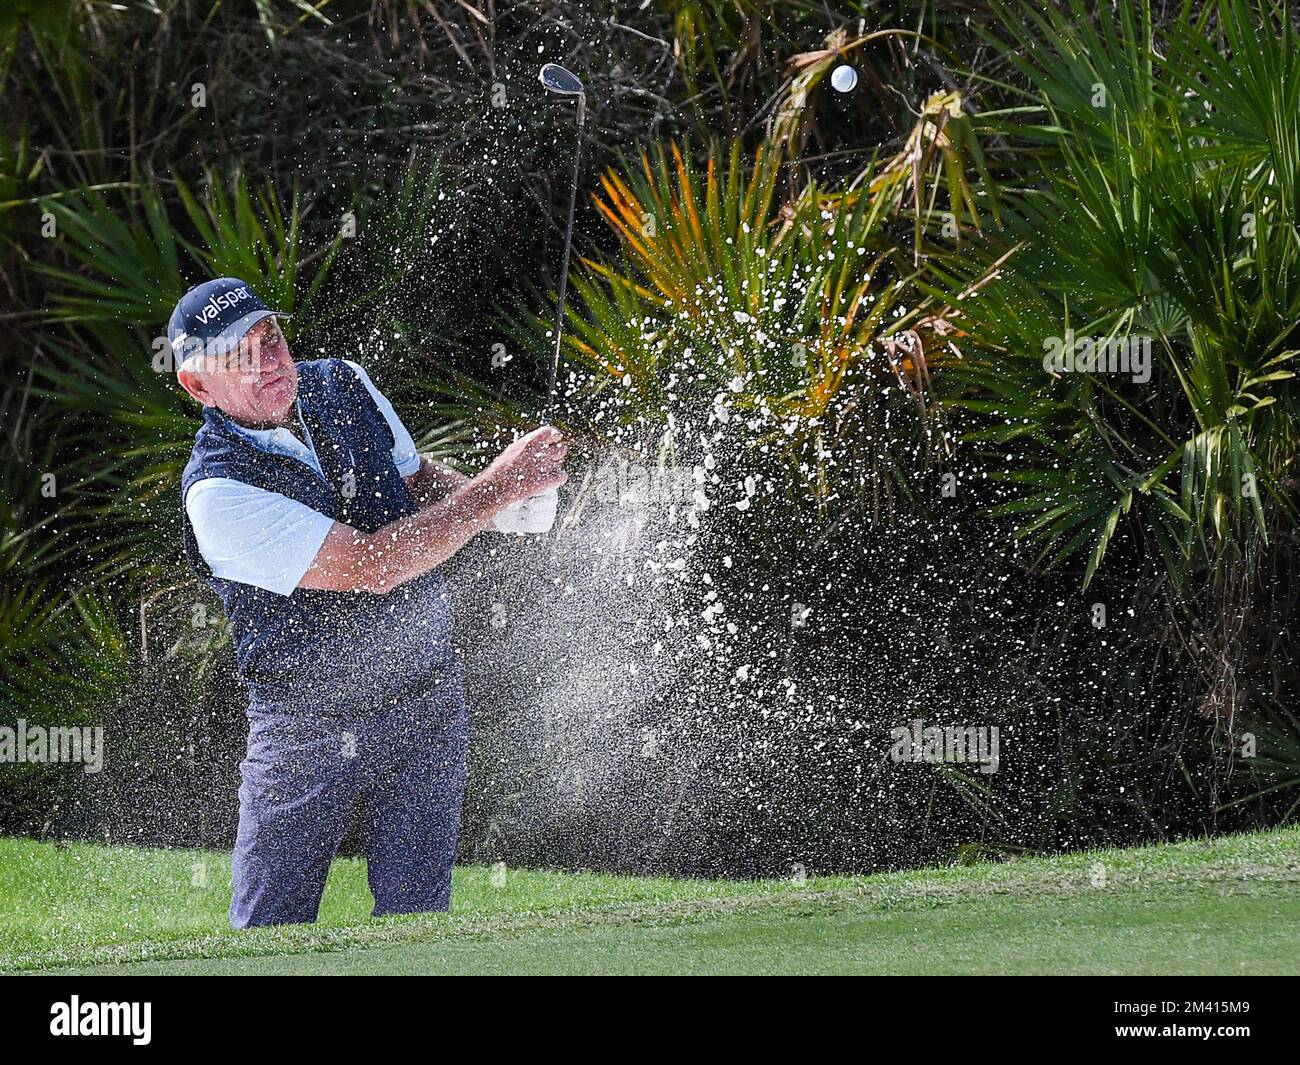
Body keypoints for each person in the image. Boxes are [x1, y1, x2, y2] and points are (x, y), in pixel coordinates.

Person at [170, 276, 567, 928]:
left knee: (416, 925)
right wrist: (495, 490)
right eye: (240, 355)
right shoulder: (217, 494)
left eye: (271, 339)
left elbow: (417, 482)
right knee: (271, 938)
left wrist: (508, 508)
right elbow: (372, 564)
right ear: (198, 386)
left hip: (426, 698)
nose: (270, 362)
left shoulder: (342, 382)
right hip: (307, 726)